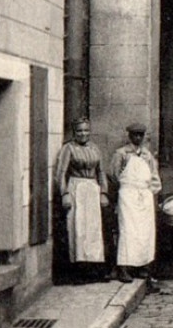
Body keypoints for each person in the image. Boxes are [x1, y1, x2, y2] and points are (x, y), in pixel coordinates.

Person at [55, 118, 109, 283]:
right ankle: (77, 271)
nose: (83, 134)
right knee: (77, 228)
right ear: (74, 133)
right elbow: (60, 173)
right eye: (79, 131)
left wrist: (103, 192)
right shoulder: (68, 148)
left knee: (92, 229)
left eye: (86, 130)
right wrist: (64, 194)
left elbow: (101, 172)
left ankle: (94, 269)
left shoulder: (95, 148)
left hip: (92, 189)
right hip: (76, 187)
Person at [109, 123, 161, 284]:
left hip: (144, 195)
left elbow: (154, 175)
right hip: (128, 195)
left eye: (140, 135)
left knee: (145, 231)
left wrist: (150, 191)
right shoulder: (121, 153)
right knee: (128, 230)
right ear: (129, 136)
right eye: (134, 135)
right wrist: (126, 189)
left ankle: (142, 266)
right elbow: (113, 174)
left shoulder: (147, 155)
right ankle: (124, 268)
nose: (138, 138)